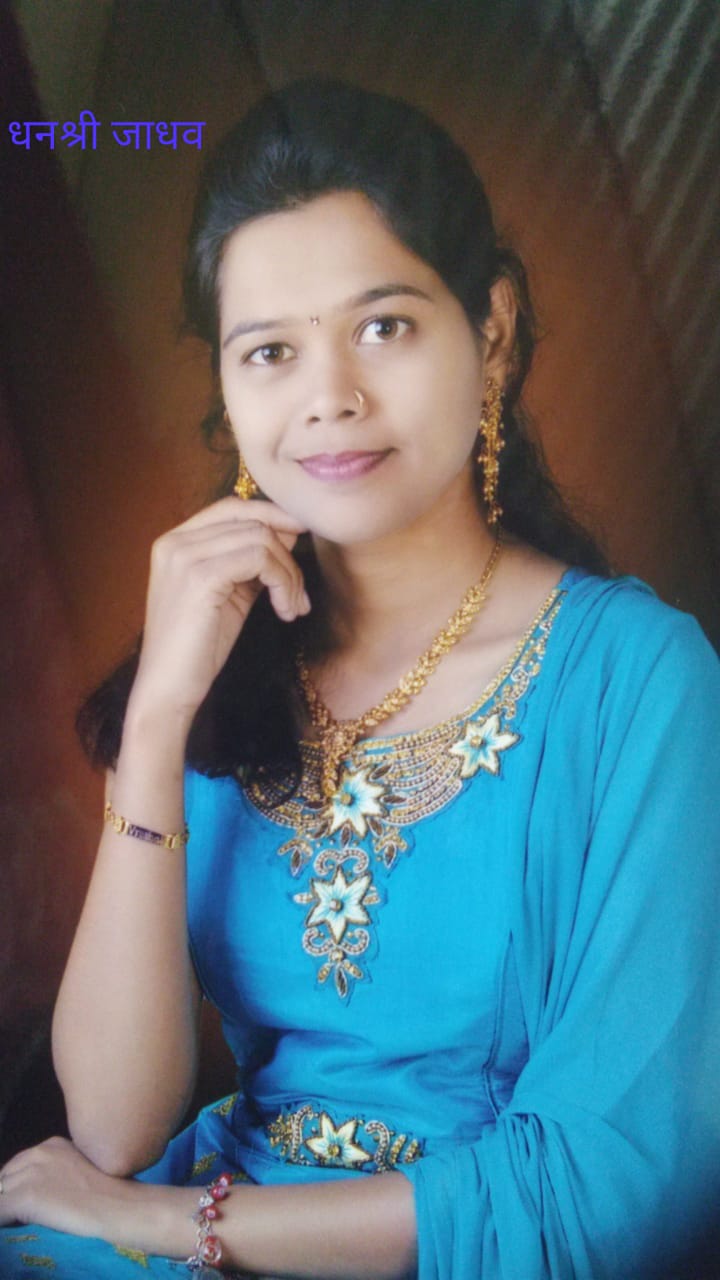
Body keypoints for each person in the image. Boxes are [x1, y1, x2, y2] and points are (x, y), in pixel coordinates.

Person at [0, 78, 718, 1280]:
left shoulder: (640, 684)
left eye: (383, 326)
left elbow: (606, 1189)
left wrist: (178, 1225)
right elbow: (114, 1130)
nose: (328, 394)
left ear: (491, 331)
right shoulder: (225, 673)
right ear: (228, 391)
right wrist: (159, 723)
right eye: (270, 351)